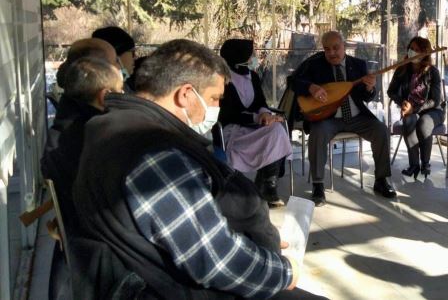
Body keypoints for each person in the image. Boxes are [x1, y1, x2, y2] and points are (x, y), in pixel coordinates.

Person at [73, 39, 314, 298]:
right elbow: (215, 260)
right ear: (186, 94)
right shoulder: (156, 156)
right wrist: (285, 273)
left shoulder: (109, 127)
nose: (216, 109)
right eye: (214, 98)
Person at [292, 30, 396, 206]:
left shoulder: (358, 65)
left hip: (357, 117)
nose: (331, 53)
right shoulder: (315, 65)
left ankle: (381, 180)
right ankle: (318, 186)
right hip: (329, 119)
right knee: (317, 133)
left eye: (335, 48)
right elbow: (293, 81)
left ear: (344, 46)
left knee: (381, 131)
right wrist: (311, 88)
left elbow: (366, 97)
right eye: (327, 49)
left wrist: (370, 88)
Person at [42, 57, 123, 233]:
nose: (124, 95)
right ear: (105, 96)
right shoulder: (99, 138)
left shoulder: (61, 130)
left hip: (78, 234)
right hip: (103, 237)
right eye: (120, 91)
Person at [219, 38, 292, 207]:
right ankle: (264, 186)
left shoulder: (252, 75)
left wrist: (266, 114)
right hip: (233, 129)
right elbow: (228, 114)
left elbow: (261, 103)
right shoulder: (223, 79)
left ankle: (268, 186)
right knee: (274, 133)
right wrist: (256, 118)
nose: (254, 57)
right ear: (240, 56)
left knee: (277, 130)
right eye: (252, 54)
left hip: (253, 127)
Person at [387, 36, 444, 180]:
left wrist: (415, 109)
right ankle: (414, 165)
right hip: (411, 109)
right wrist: (403, 102)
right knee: (409, 121)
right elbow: (391, 91)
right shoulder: (402, 69)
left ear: (424, 53)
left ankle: (425, 163)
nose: (413, 52)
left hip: (433, 111)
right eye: (411, 48)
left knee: (424, 123)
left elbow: (435, 100)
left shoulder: (432, 72)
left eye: (417, 50)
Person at [92, 25, 136, 91]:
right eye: (132, 52)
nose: (135, 57)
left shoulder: (125, 81)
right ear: (114, 54)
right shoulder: (107, 92)